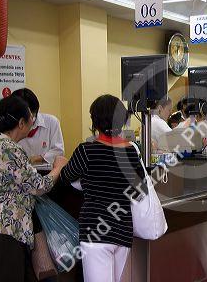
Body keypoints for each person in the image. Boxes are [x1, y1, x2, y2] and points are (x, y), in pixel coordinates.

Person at [0, 95, 67, 282]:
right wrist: (58, 167)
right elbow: (39, 186)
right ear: (21, 123)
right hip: (4, 233)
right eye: (30, 120)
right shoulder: (9, 148)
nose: (33, 123)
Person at [59, 95, 145, 282]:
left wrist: (76, 175)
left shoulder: (86, 151)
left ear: (94, 121)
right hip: (122, 229)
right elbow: (140, 192)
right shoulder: (131, 151)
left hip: (95, 231)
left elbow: (65, 178)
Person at [12, 88, 65, 165]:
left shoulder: (51, 122)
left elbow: (59, 151)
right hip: (22, 172)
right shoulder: (11, 127)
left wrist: (38, 158)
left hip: (47, 171)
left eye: (31, 115)